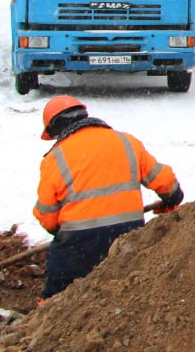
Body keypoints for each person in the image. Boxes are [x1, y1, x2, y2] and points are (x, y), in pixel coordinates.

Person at [33, 95, 184, 299]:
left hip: (79, 244)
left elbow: (47, 214)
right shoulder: (126, 141)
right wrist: (172, 198)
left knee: (57, 290)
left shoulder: (55, 158)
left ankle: (42, 323)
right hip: (129, 236)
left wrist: (61, 234)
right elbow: (164, 181)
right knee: (128, 289)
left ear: (54, 128)